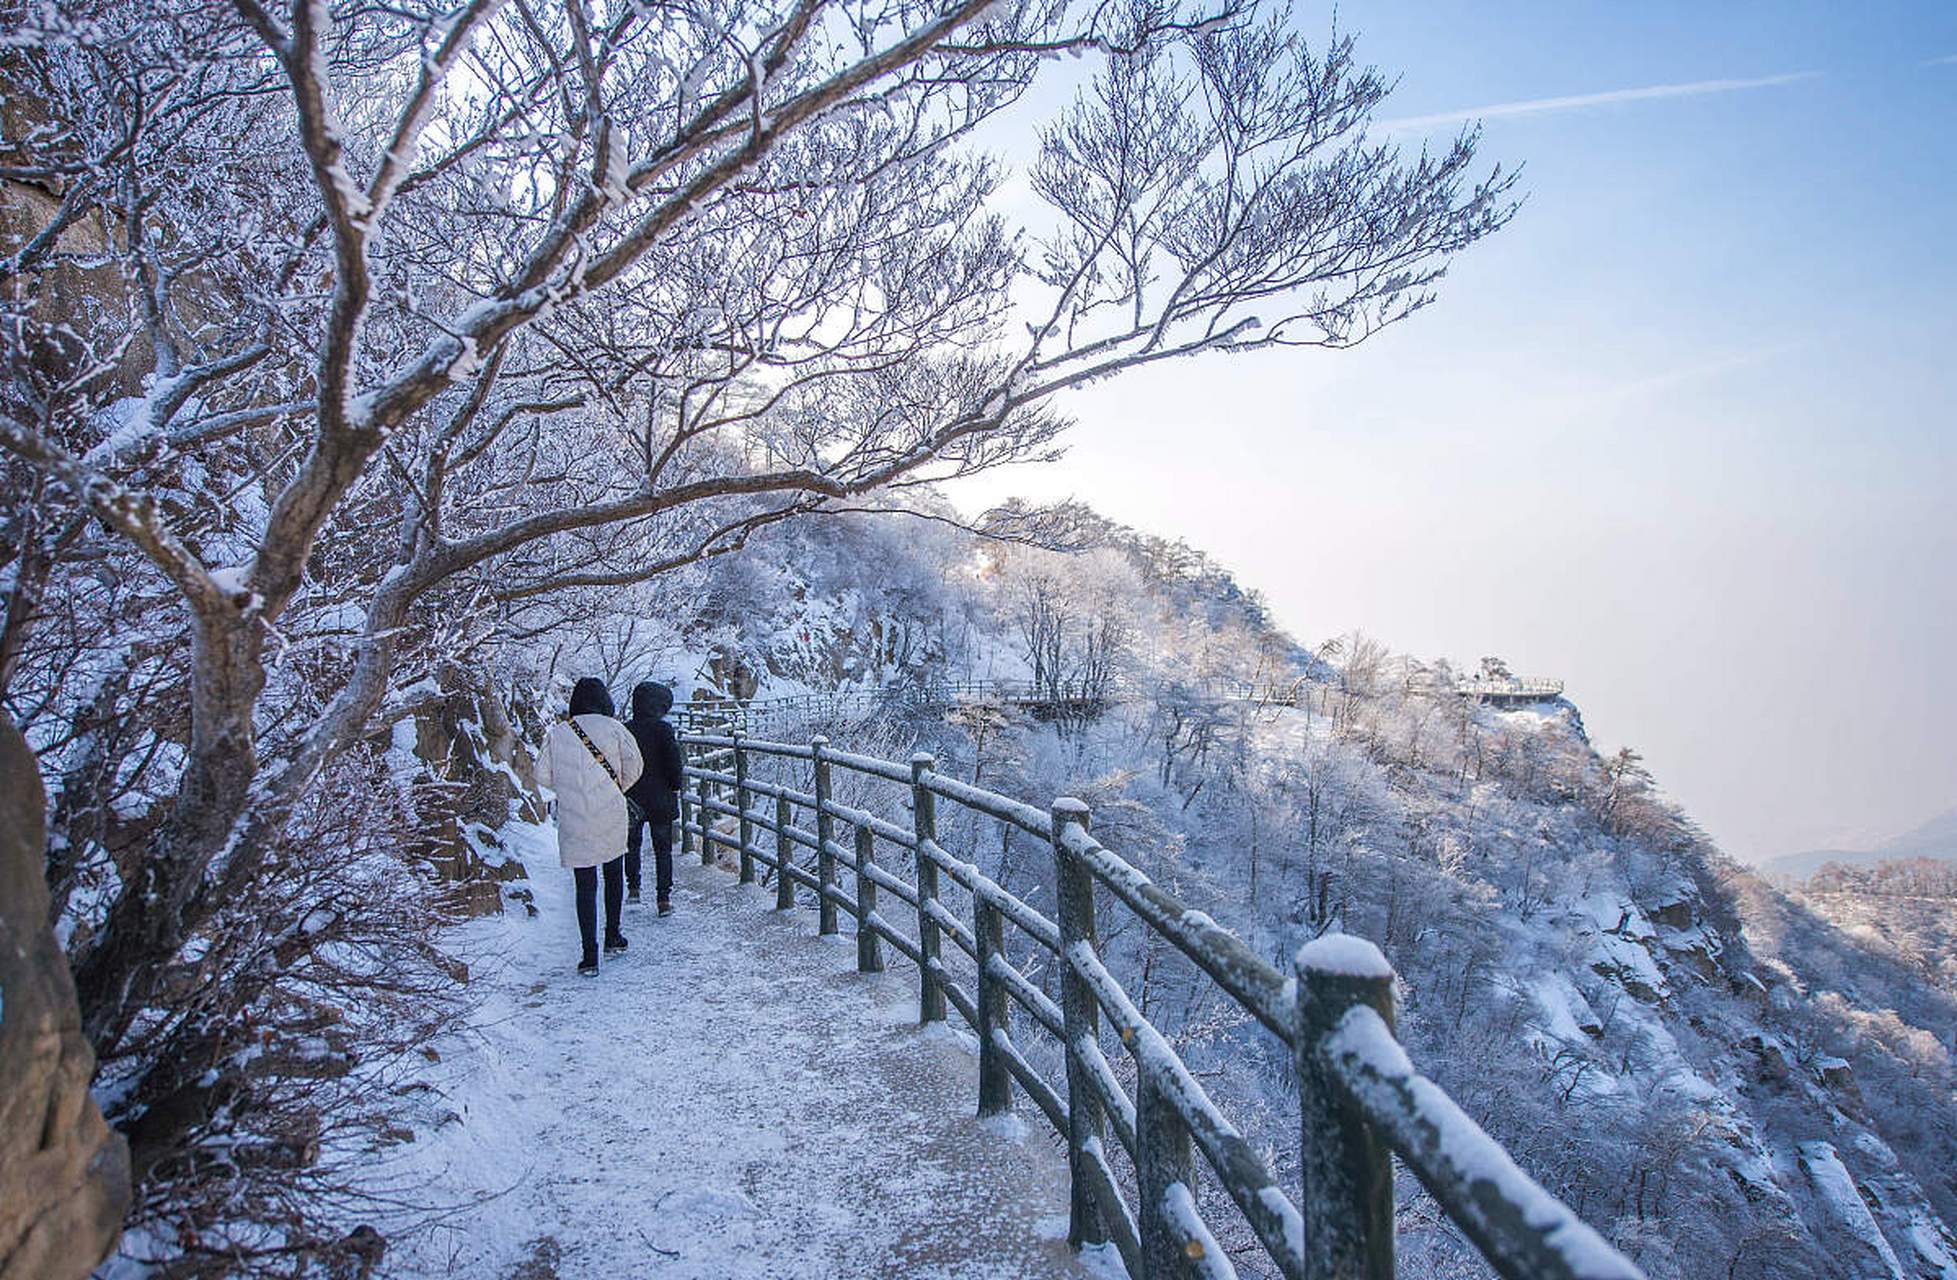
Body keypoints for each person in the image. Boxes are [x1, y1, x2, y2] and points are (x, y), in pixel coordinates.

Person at [535, 677, 643, 975]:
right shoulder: (614, 728)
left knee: (584, 884)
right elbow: (636, 767)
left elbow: (542, 775)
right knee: (613, 874)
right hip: (610, 812)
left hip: (575, 815)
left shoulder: (559, 733)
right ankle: (613, 936)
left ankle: (589, 955)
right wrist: (615, 787)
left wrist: (568, 787)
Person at [623, 680, 685, 914]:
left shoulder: (626, 729)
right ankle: (663, 898)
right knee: (663, 848)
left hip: (633, 796)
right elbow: (673, 763)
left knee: (632, 844)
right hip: (661, 798)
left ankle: (634, 889)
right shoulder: (663, 730)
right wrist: (674, 785)